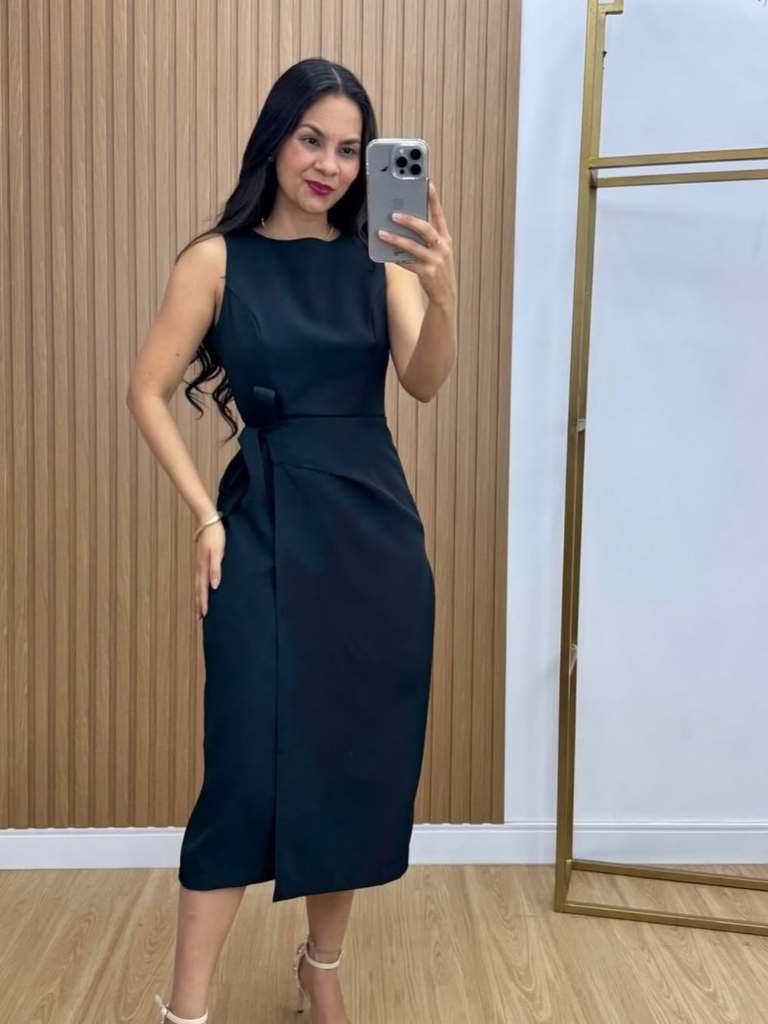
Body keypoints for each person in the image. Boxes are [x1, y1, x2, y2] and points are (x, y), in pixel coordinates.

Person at [126, 57, 456, 1024]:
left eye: (350, 149)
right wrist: (206, 514)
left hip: (373, 539)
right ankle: (187, 1008)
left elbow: (425, 380)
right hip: (264, 528)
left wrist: (444, 289)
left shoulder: (380, 260)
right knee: (242, 767)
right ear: (276, 138)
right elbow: (145, 389)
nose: (330, 165)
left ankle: (321, 965)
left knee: (351, 757)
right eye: (312, 139)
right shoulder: (216, 260)